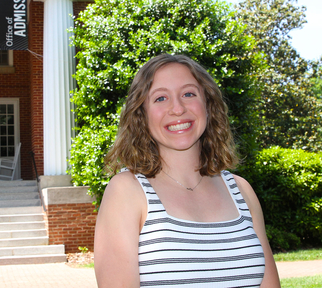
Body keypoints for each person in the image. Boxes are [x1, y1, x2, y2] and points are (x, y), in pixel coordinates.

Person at [94, 54, 280, 287]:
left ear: (208, 104)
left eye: (188, 94)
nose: (177, 108)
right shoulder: (127, 191)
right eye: (161, 98)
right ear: (142, 115)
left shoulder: (242, 191)